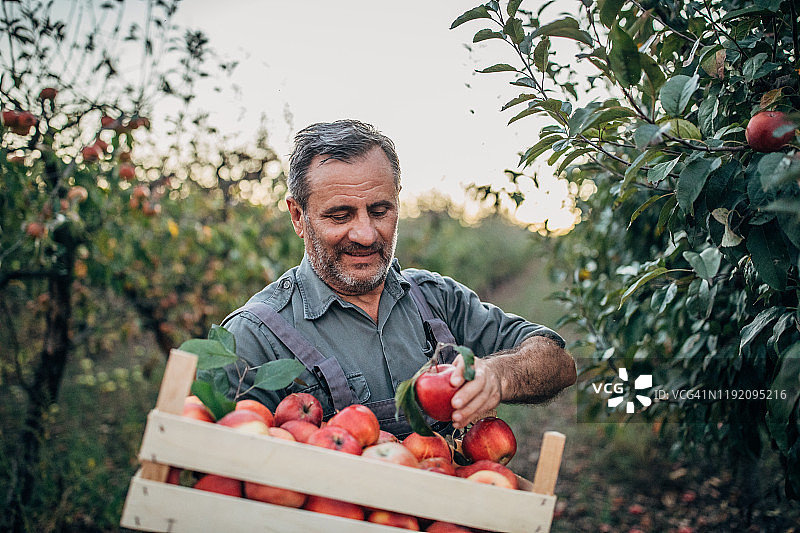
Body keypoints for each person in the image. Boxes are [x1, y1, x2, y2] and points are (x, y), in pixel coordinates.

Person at [221, 119, 576, 437]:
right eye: (340, 216)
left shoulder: (436, 299)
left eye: (380, 211)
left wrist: (498, 375)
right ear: (298, 216)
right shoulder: (255, 337)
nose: (365, 234)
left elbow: (558, 362)